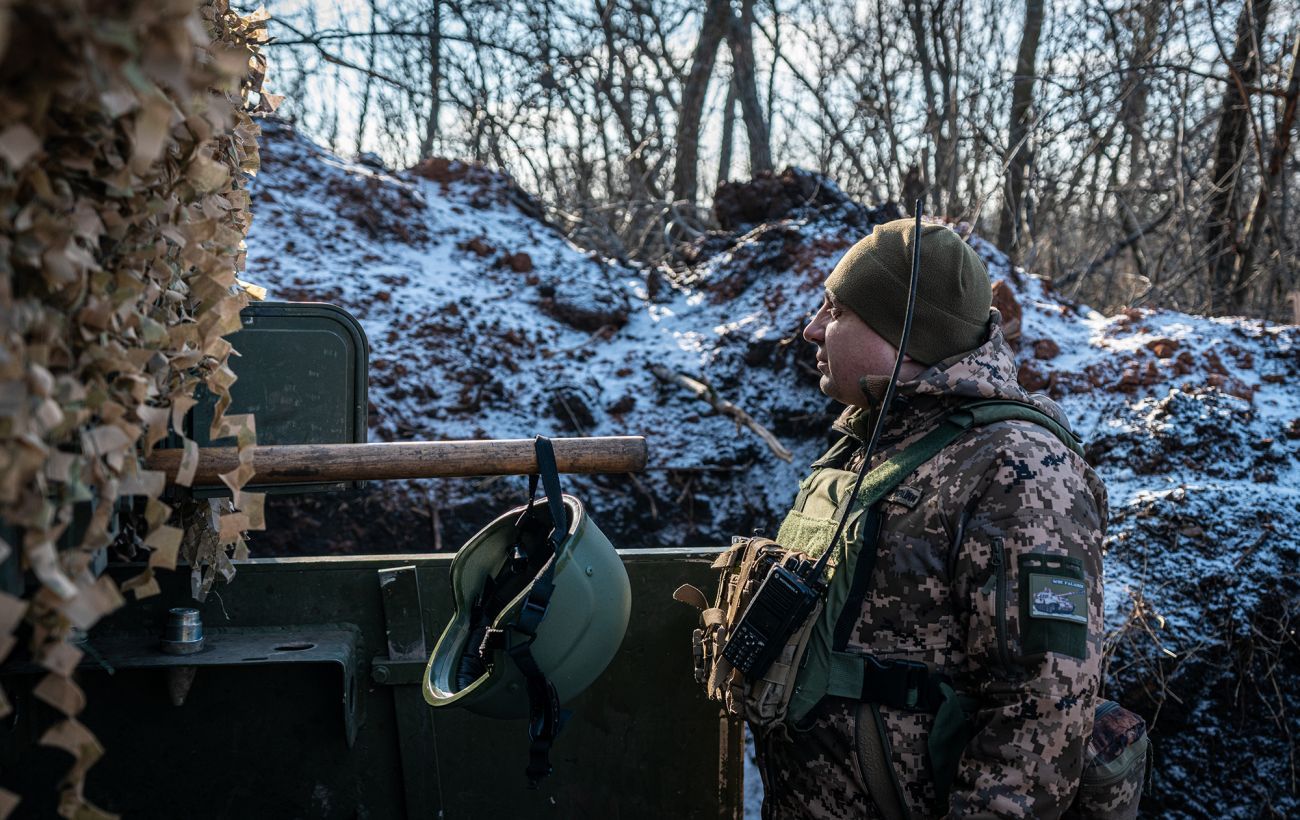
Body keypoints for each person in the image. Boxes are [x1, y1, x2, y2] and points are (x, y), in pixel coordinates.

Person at [753, 218, 1107, 817]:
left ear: (905, 335)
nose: (811, 329)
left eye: (836, 311)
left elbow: (1043, 709)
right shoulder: (875, 444)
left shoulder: (1017, 467)